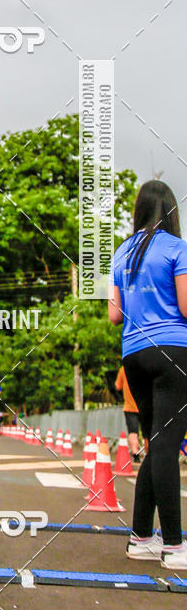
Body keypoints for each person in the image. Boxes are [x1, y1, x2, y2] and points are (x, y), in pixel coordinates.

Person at [109, 180, 187, 568]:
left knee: (157, 445)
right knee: (167, 447)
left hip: (133, 355)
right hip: (173, 352)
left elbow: (114, 315)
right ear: (171, 210)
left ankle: (140, 537)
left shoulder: (122, 253)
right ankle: (174, 544)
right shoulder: (177, 248)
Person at [115, 365, 141, 462]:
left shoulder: (124, 368)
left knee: (133, 432)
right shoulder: (147, 364)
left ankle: (136, 454)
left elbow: (118, 386)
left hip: (130, 407)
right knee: (148, 432)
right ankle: (149, 454)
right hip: (145, 406)